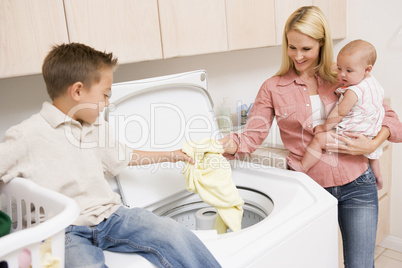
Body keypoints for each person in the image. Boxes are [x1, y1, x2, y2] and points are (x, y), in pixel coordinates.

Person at [0, 43, 221, 268]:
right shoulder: (26, 136)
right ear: (77, 91)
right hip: (64, 231)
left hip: (111, 216)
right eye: (105, 95)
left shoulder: (96, 127)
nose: (107, 103)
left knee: (173, 232)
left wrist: (172, 154)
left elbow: (124, 156)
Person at [219, 6, 402, 268]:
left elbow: (390, 118)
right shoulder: (273, 87)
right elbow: (251, 137)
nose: (297, 55)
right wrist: (218, 147)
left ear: (322, 44)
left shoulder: (343, 75)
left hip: (358, 184)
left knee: (360, 265)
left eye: (306, 48)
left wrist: (373, 143)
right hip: (310, 189)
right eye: (292, 47)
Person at [291, 39, 385, 190]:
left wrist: (324, 127)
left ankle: (302, 167)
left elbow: (340, 111)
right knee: (372, 153)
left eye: (348, 71)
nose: (341, 74)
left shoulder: (354, 90)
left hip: (351, 135)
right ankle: (378, 177)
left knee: (319, 139)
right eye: (340, 68)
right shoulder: (375, 84)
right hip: (370, 134)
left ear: (367, 69)